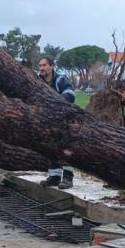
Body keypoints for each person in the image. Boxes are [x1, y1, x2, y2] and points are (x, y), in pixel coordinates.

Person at [37, 56, 77, 189]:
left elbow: (70, 95)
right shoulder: (38, 81)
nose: (41, 68)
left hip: (65, 121)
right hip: (49, 122)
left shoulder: (60, 80)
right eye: (40, 66)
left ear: (52, 66)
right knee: (50, 148)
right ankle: (54, 177)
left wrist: (54, 102)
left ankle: (67, 178)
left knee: (66, 149)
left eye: (44, 65)